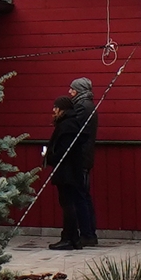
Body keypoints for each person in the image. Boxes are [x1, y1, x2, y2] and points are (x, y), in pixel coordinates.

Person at [47, 79, 100, 249]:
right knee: (80, 196)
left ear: (78, 91)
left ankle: (85, 234)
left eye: (72, 89)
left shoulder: (81, 108)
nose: (70, 91)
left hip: (77, 160)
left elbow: (76, 136)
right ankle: (83, 234)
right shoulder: (85, 106)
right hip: (80, 158)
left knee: (78, 197)